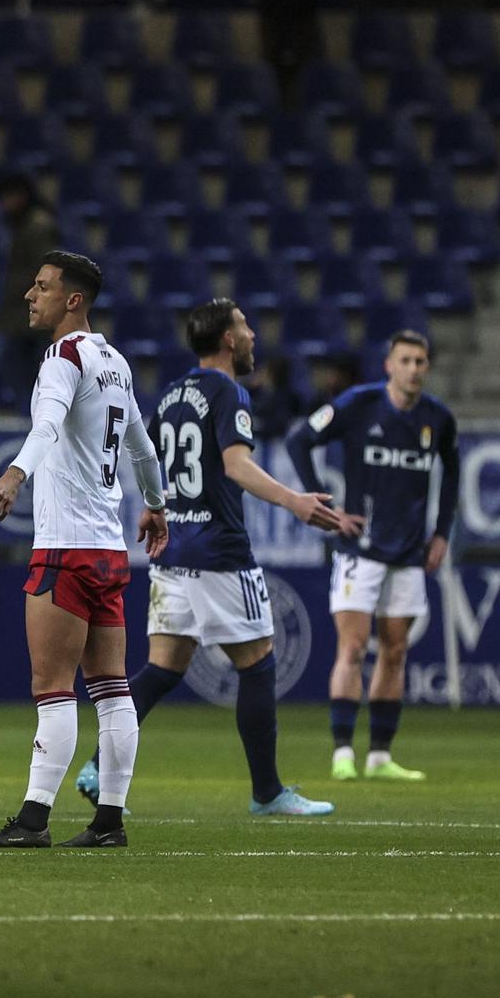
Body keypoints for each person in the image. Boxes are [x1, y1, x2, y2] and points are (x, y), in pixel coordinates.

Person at [75, 299, 357, 818]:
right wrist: (294, 500)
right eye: (245, 326)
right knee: (259, 662)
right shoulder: (229, 391)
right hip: (219, 552)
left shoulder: (175, 392)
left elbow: (146, 453)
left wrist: (156, 507)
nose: (252, 335)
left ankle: (96, 767)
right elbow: (237, 466)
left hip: (174, 552)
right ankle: (267, 792)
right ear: (229, 339)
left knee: (163, 667)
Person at [0, 251, 167, 850]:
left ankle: (33, 820)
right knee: (112, 689)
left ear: (72, 300)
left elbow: (47, 425)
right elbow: (141, 446)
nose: (31, 294)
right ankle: (110, 821)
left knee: (52, 687)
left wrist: (13, 476)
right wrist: (156, 504)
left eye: (43, 285)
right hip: (108, 552)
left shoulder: (64, 356)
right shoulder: (114, 362)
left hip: (64, 549)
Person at [285, 330, 460, 784]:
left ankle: (380, 756)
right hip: (359, 549)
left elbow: (453, 470)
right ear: (389, 365)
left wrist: (441, 533)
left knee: (396, 651)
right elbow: (299, 440)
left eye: (421, 361)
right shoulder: (358, 404)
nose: (414, 369)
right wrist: (323, 506)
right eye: (406, 360)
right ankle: (342, 751)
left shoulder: (437, 418)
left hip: (407, 553)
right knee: (354, 647)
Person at [0, 173, 56, 411]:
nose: (4, 205)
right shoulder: (25, 225)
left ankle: (35, 419)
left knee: (26, 370)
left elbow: (46, 271)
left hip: (33, 317)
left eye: (8, 197)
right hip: (23, 316)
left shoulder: (37, 226)